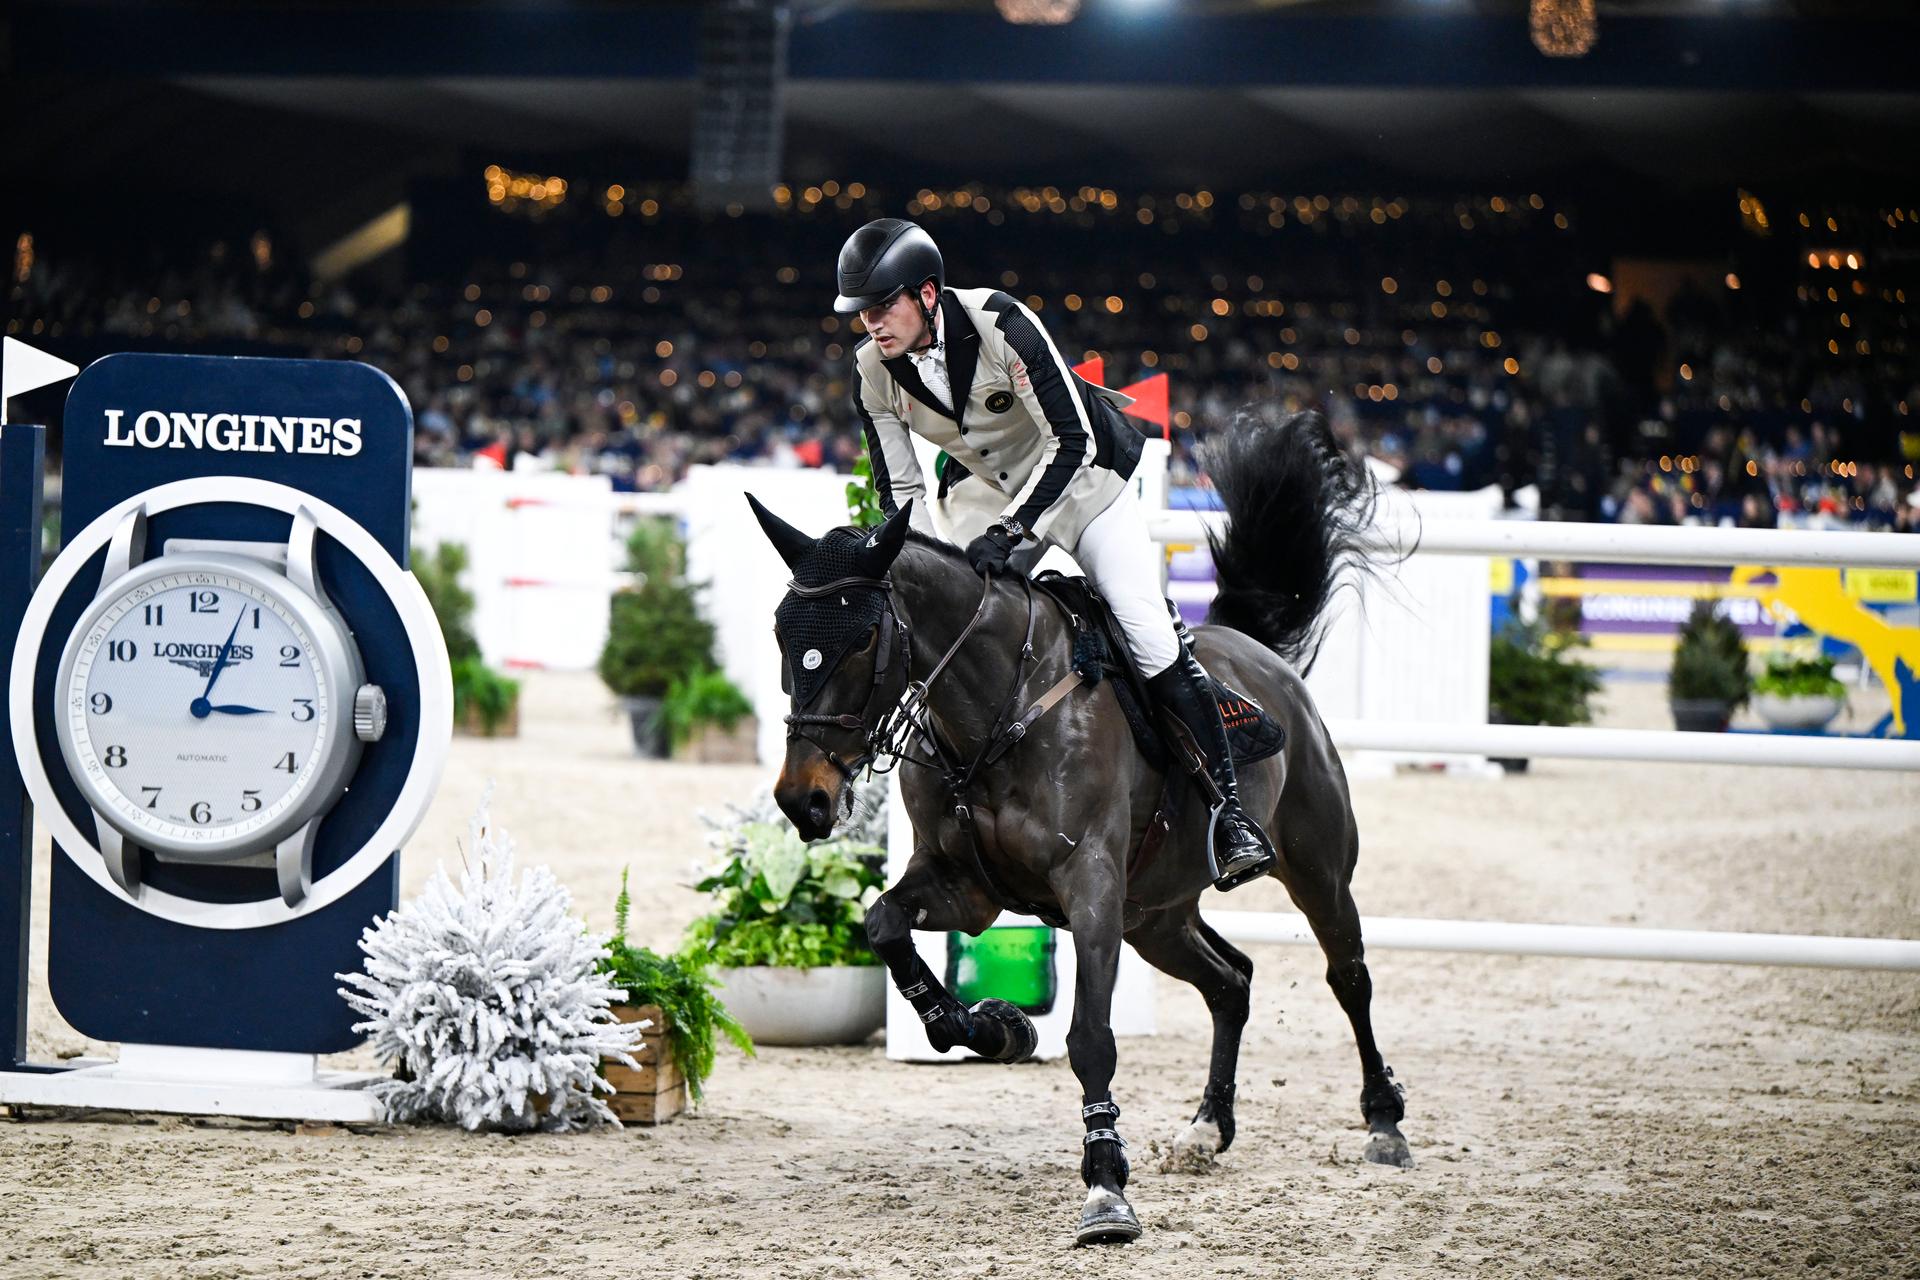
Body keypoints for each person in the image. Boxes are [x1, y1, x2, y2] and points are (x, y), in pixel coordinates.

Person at [833, 217, 1275, 891]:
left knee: (1144, 627)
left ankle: (1230, 813)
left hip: (1082, 479)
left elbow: (1071, 443)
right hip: (984, 488)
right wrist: (915, 562)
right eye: (862, 312)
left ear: (927, 294)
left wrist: (1013, 533)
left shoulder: (1002, 325)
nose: (872, 325)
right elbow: (900, 485)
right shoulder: (871, 370)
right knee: (935, 614)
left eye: (882, 305)